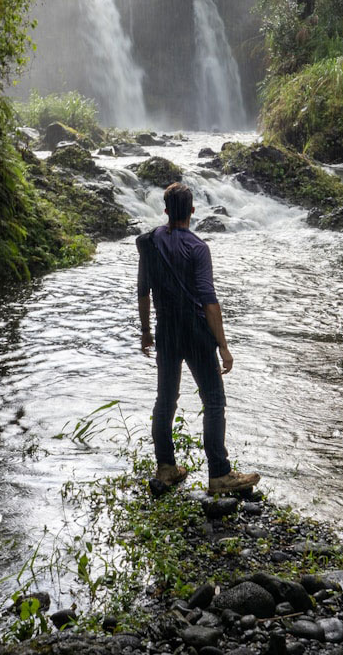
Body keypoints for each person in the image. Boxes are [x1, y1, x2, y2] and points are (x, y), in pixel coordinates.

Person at [136, 181, 260, 494]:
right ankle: (219, 475)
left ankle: (166, 468)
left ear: (165, 211)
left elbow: (143, 291)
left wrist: (146, 331)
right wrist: (224, 347)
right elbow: (209, 300)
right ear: (192, 211)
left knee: (166, 399)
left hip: (166, 330)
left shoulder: (148, 242)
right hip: (195, 332)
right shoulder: (198, 248)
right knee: (214, 399)